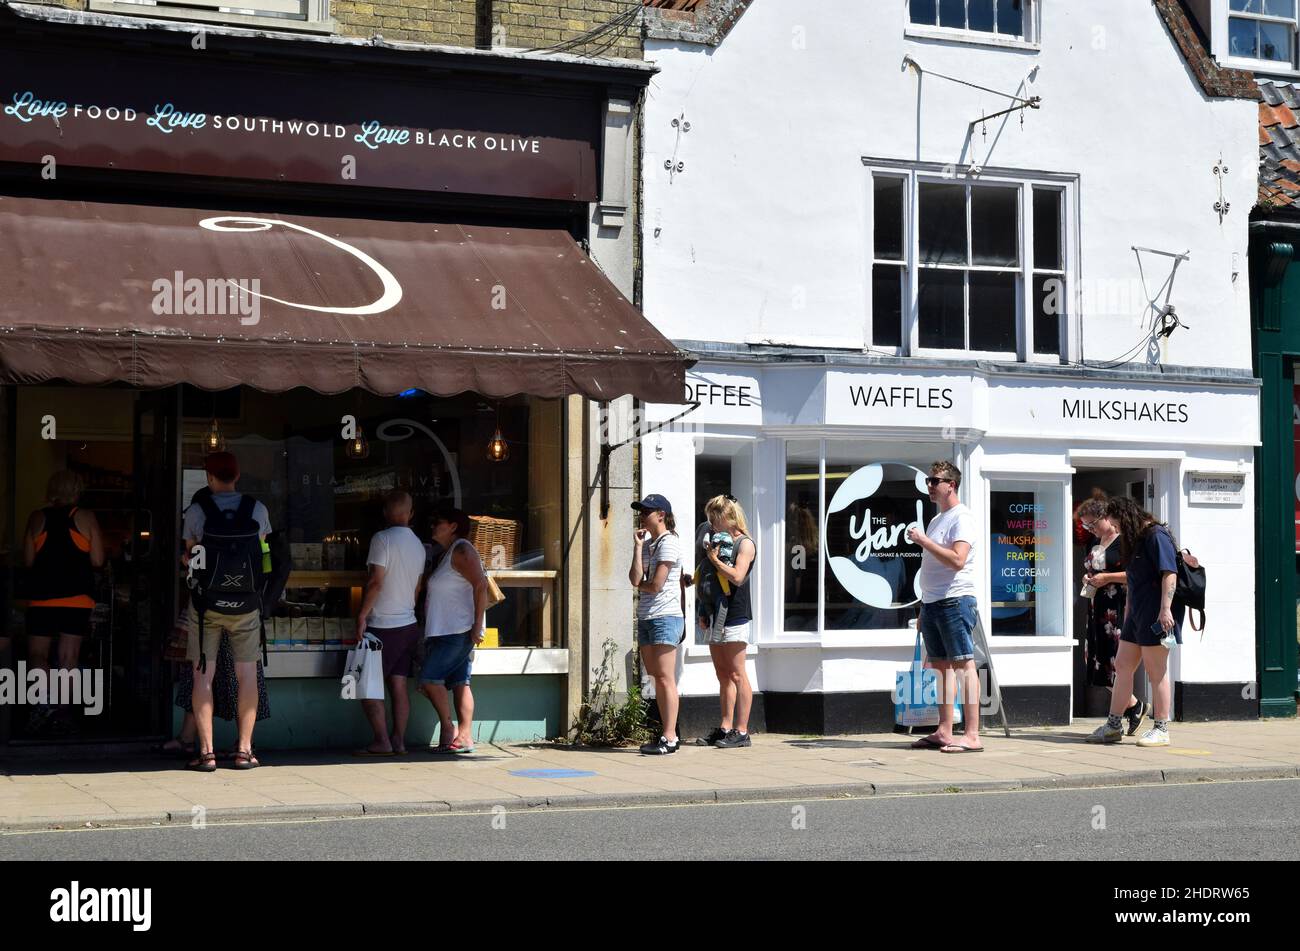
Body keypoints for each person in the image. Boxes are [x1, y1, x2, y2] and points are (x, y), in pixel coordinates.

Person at [181, 451, 271, 771]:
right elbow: (263, 555)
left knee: (202, 675)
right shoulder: (257, 509)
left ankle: (207, 753)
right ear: (237, 476)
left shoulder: (196, 511)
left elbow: (190, 559)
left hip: (206, 606)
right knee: (247, 675)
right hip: (246, 606)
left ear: (209, 477)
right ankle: (244, 750)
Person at [1087, 496, 1183, 747]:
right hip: (1136, 614)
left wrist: (1165, 610)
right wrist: (1129, 613)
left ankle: (1161, 728)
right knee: (1122, 666)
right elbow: (1132, 580)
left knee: (1156, 670)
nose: (1115, 528)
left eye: (1117, 522)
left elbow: (1169, 574)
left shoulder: (1155, 535)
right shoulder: (1134, 540)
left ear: (1126, 517)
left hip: (1156, 614)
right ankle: (1113, 725)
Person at [906, 461, 983, 754]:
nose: (929, 485)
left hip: (955, 600)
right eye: (928, 480)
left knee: (964, 664)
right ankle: (944, 730)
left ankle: (973, 734)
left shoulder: (961, 518)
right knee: (940, 668)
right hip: (934, 602)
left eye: (935, 480)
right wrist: (924, 607)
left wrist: (923, 541)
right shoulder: (938, 519)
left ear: (951, 484)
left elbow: (958, 560)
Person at [22, 471, 105, 734]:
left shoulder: (37, 518)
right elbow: (98, 560)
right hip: (76, 599)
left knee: (37, 655)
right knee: (68, 658)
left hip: (42, 598)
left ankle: (44, 704)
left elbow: (28, 561)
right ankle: (61, 713)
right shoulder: (86, 517)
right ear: (77, 490)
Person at [354, 490, 427, 756]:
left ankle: (381, 740)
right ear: (410, 514)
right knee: (398, 684)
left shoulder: (381, 539)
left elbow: (376, 581)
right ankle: (399, 741)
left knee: (368, 684)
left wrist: (362, 614)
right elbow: (418, 588)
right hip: (407, 623)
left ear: (385, 513)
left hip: (381, 625)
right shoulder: (418, 545)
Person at [1076, 492, 1147, 737]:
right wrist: (1089, 578)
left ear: (1105, 517)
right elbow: (1092, 568)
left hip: (1117, 607)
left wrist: (1107, 578)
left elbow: (1135, 574)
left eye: (1092, 523)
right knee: (1099, 664)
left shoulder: (1125, 541)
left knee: (1116, 664)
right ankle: (1134, 706)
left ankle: (1123, 714)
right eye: (1085, 525)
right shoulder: (1094, 543)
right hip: (1097, 607)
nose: (1089, 529)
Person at [419, 508, 488, 754]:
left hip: (458, 629)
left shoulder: (462, 550)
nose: (433, 526)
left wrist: (477, 625)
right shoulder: (449, 552)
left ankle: (449, 729)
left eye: (438, 521)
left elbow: (481, 584)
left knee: (428, 679)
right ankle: (465, 736)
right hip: (448, 629)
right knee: (461, 682)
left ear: (453, 526)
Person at [698, 495, 756, 749]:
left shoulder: (745, 544)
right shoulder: (717, 542)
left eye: (715, 518)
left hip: (735, 616)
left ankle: (742, 731)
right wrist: (703, 609)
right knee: (722, 675)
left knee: (736, 672)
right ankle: (725, 727)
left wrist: (715, 559)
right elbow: (708, 578)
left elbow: (737, 576)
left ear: (729, 517)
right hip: (714, 614)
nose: (712, 523)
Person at [629, 493, 683, 756]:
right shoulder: (649, 544)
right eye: (641, 511)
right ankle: (666, 731)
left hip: (665, 615)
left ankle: (670, 736)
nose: (642, 515)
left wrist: (642, 585)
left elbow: (656, 584)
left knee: (664, 677)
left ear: (661, 514)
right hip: (648, 615)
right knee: (655, 677)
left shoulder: (669, 542)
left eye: (647, 511)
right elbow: (635, 578)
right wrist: (638, 547)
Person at [162, 630, 272, 757]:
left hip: (221, 621)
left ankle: (213, 749)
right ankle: (244, 746)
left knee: (207, 673)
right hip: (238, 619)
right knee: (236, 674)